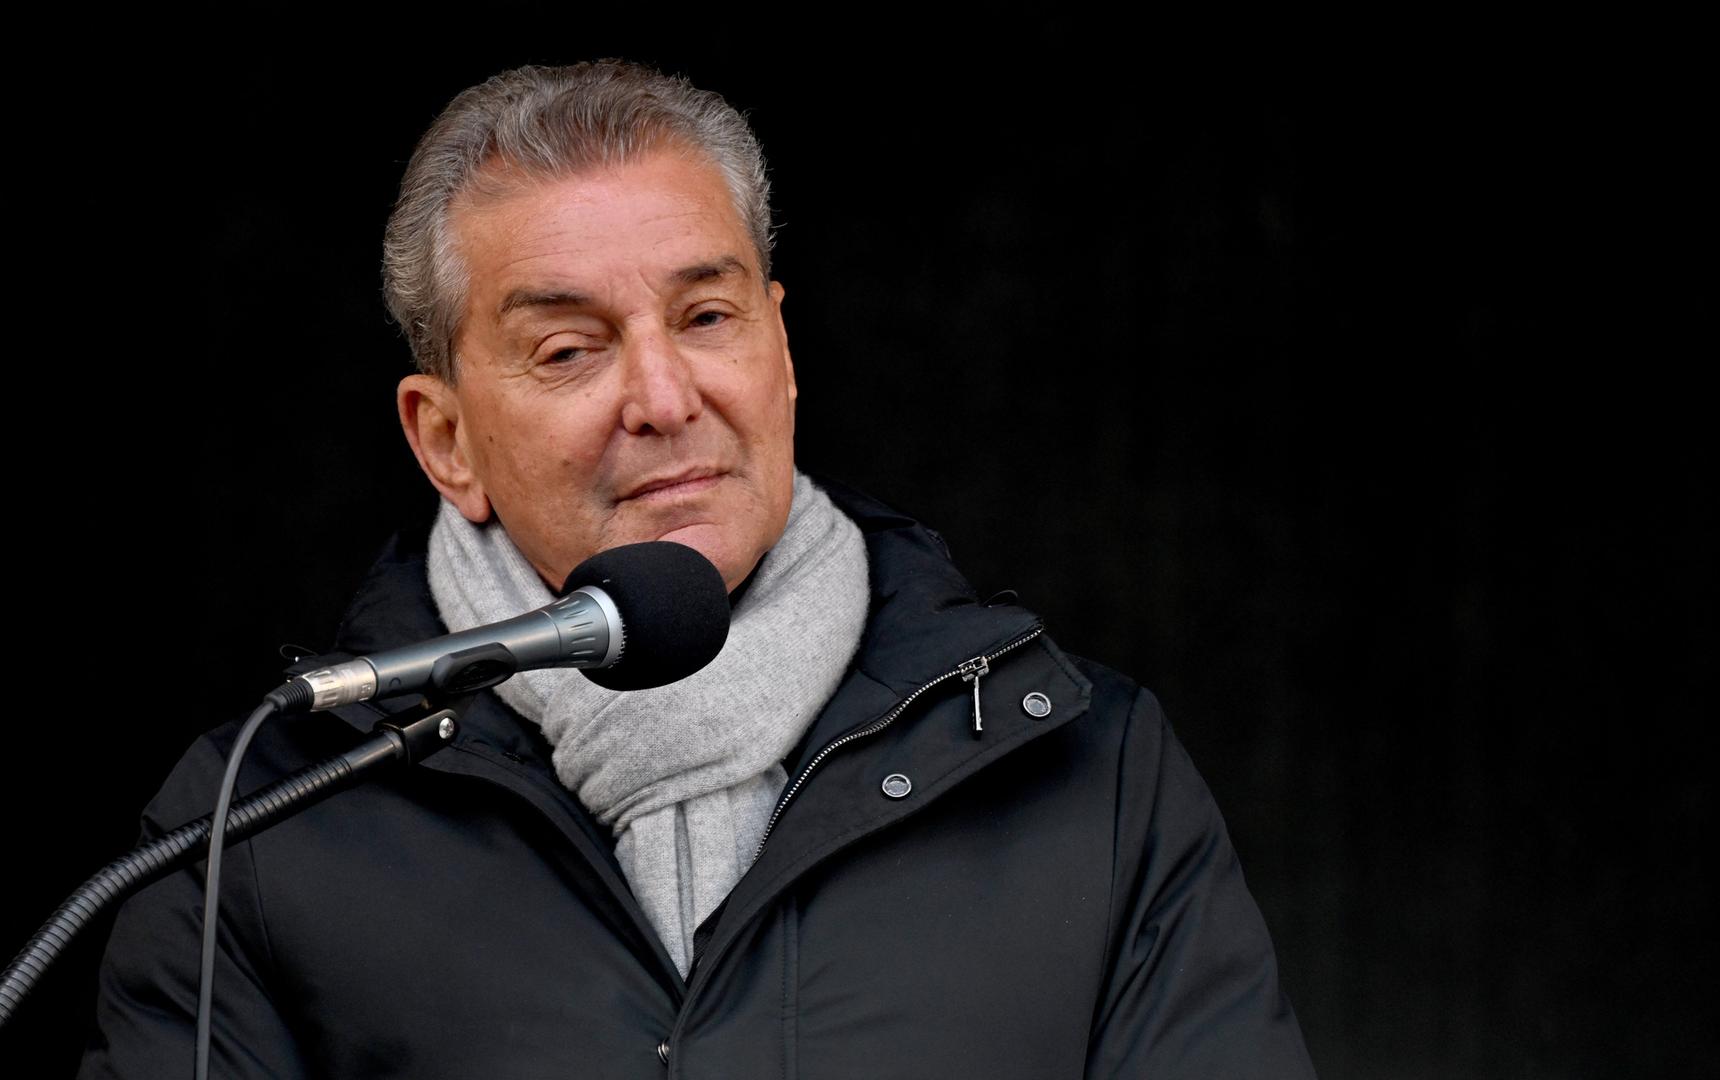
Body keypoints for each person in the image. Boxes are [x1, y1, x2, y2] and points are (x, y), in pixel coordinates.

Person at [81, 61, 1316, 1078]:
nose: (664, 398)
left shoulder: (1083, 773)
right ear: (444, 440)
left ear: (783, 350)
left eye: (708, 318)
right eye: (570, 349)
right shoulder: (257, 830)